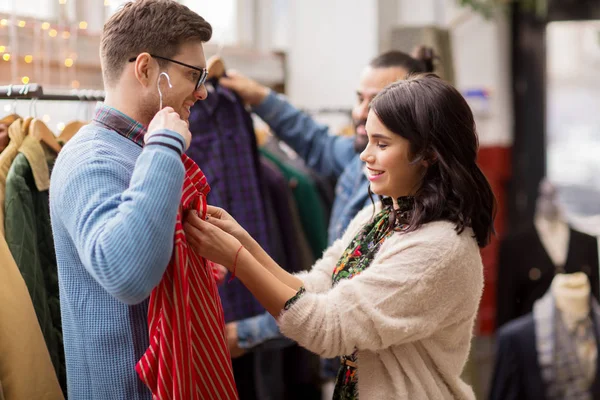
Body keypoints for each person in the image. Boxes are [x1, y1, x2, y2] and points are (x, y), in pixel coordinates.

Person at [184, 73, 497, 399]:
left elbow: (327, 327)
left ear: (429, 154)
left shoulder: (440, 248)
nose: (365, 155)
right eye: (370, 140)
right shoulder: (378, 216)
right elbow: (318, 287)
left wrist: (237, 259)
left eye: (383, 144)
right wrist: (242, 241)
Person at [49, 1, 237, 399]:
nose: (203, 92)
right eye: (193, 75)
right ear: (147, 68)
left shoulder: (143, 150)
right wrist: (166, 144)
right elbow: (126, 274)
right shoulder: (91, 159)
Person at [221, 48, 436, 361]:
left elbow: (337, 314)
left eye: (376, 101)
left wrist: (244, 331)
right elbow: (315, 141)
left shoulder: (415, 223)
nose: (361, 111)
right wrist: (259, 97)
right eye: (360, 98)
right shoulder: (358, 163)